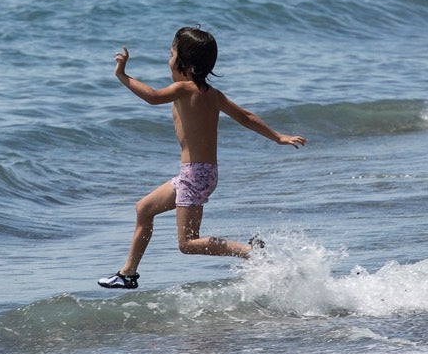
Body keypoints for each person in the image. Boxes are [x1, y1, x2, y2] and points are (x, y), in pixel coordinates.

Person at [97, 27, 307, 289]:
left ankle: (249, 251)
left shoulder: (183, 89)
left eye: (171, 53)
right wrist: (278, 137)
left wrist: (123, 76)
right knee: (144, 208)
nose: (169, 59)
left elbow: (151, 97)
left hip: (194, 176)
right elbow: (247, 117)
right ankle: (127, 273)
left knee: (187, 243)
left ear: (183, 62)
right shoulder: (213, 95)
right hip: (200, 174)